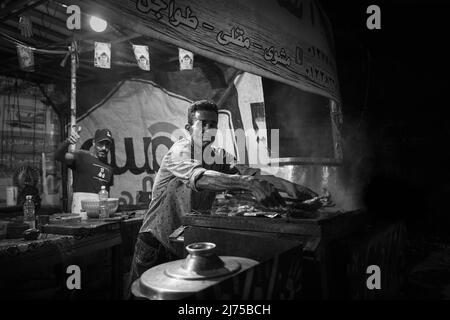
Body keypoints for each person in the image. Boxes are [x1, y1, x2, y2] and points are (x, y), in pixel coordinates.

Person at [127, 100, 318, 297]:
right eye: (203, 124)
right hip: (155, 243)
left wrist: (290, 186)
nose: (209, 129)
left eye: (213, 124)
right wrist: (247, 183)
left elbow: (251, 174)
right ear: (188, 128)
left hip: (182, 243)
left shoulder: (218, 156)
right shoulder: (180, 151)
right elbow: (201, 178)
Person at [54, 127, 114, 213]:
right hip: (81, 212)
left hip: (100, 215)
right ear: (94, 143)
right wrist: (68, 142)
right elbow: (58, 156)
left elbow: (106, 194)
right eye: (101, 143)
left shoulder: (109, 169)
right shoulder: (82, 156)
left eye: (107, 144)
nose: (104, 148)